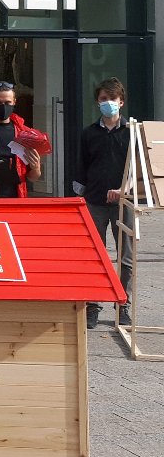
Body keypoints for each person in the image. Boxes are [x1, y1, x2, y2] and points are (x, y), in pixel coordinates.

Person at [74, 78, 133, 328]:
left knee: (126, 258)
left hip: (124, 203)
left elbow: (139, 170)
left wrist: (124, 190)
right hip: (94, 202)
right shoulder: (89, 133)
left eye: (112, 99)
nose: (108, 103)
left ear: (121, 101)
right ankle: (92, 306)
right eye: (102, 99)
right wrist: (80, 197)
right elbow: (81, 166)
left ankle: (123, 305)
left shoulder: (132, 131)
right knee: (94, 256)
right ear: (97, 103)